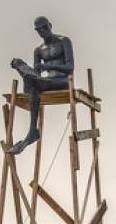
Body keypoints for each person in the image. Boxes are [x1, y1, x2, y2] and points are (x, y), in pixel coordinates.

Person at [7, 16, 74, 155]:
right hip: (45, 82)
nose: (43, 31)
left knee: (30, 82)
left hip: (62, 82)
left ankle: (32, 131)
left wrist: (46, 65)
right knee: (28, 76)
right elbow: (36, 75)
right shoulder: (38, 50)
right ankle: (32, 131)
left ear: (50, 25)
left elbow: (70, 67)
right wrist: (23, 67)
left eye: (45, 27)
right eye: (39, 30)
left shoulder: (63, 41)